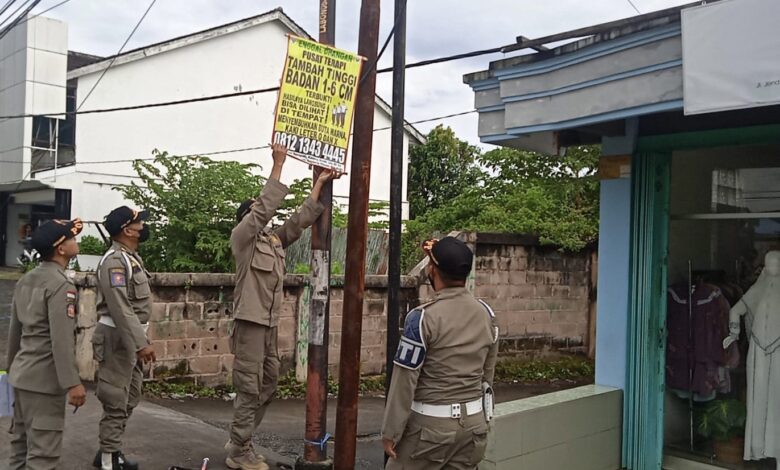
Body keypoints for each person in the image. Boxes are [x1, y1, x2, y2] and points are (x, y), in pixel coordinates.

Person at [225, 144, 340, 470]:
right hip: (249, 324)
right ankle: (238, 451)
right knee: (249, 388)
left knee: (269, 383)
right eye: (257, 212)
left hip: (269, 324)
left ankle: (239, 438)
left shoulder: (271, 242)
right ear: (248, 218)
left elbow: (297, 222)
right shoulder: (243, 240)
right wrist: (279, 163)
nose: (264, 215)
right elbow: (264, 207)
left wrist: (318, 184)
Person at [382, 237, 499, 469]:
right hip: (474, 427)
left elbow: (405, 381)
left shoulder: (423, 318)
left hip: (429, 431)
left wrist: (391, 432)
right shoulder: (486, 313)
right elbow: (487, 374)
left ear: (432, 270)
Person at [7, 218, 87, 470]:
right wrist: (73, 383)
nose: (76, 242)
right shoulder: (61, 286)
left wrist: (11, 372)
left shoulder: (26, 279)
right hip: (44, 382)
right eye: (71, 238)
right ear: (60, 249)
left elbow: (14, 333)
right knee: (43, 456)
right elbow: (61, 340)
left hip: (21, 376)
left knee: (20, 449)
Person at [92, 207, 157, 470]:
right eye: (139, 222)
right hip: (118, 338)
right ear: (127, 230)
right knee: (115, 400)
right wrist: (140, 343)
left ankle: (110, 449)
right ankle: (109, 462)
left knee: (130, 397)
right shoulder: (115, 262)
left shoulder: (131, 258)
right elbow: (120, 307)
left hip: (130, 337)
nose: (144, 226)